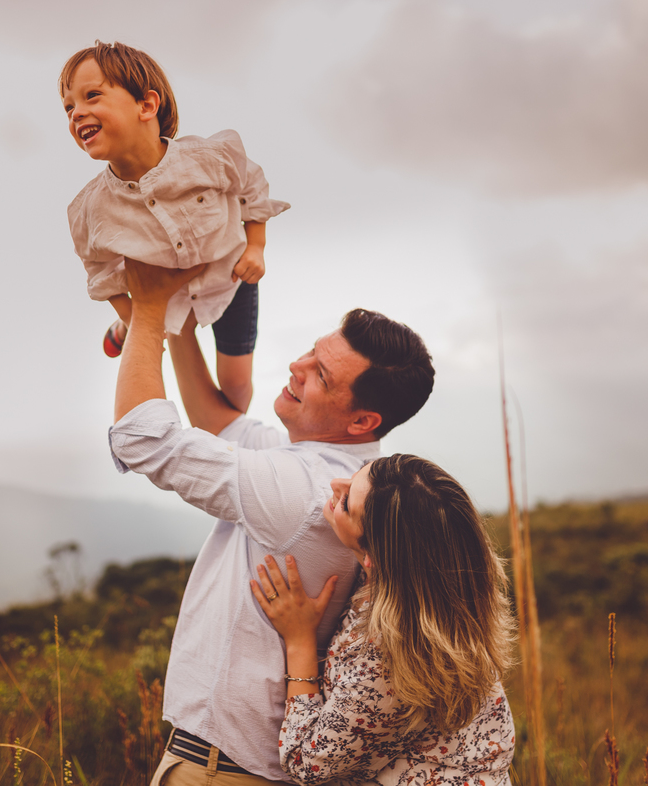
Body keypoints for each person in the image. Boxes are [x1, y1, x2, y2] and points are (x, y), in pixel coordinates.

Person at [108, 258, 435, 784]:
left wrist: (147, 312)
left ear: (362, 420)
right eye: (312, 350)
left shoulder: (305, 491)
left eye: (320, 374)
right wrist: (180, 326)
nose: (297, 367)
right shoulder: (326, 468)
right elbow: (218, 423)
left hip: (222, 770)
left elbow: (142, 437)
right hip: (231, 764)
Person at [251, 454, 516, 785]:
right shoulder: (448, 595)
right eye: (357, 475)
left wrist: (300, 640)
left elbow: (305, 763)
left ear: (373, 557)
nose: (336, 484)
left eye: (347, 502)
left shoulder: (394, 655)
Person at [61, 40, 289, 412]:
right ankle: (124, 328)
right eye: (69, 106)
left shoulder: (208, 159)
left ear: (146, 105)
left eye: (92, 96)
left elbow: (251, 187)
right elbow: (99, 271)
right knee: (145, 329)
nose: (75, 113)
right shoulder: (90, 210)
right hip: (165, 296)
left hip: (228, 280)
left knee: (238, 392)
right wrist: (134, 321)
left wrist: (256, 246)